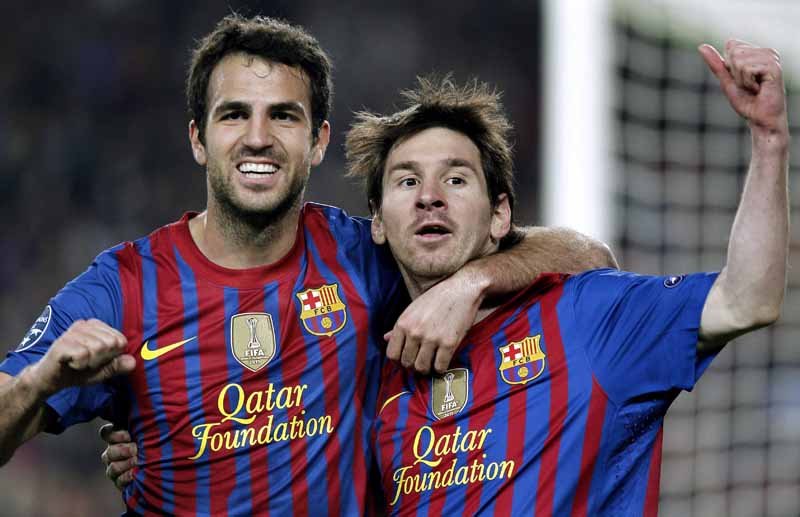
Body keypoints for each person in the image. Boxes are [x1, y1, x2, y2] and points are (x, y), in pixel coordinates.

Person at [104, 38, 789, 515]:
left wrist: (768, 141)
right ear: (377, 221)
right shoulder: (376, 372)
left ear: (500, 216)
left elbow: (747, 298)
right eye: (407, 181)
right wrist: (161, 450)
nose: (429, 196)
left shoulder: (586, 319)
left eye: (455, 179)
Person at [0, 14, 613, 516]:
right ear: (197, 139)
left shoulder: (365, 254)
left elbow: (585, 256)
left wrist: (473, 281)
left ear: (318, 141)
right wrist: (39, 382)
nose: (258, 137)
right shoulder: (124, 288)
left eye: (283, 115)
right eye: (234, 114)